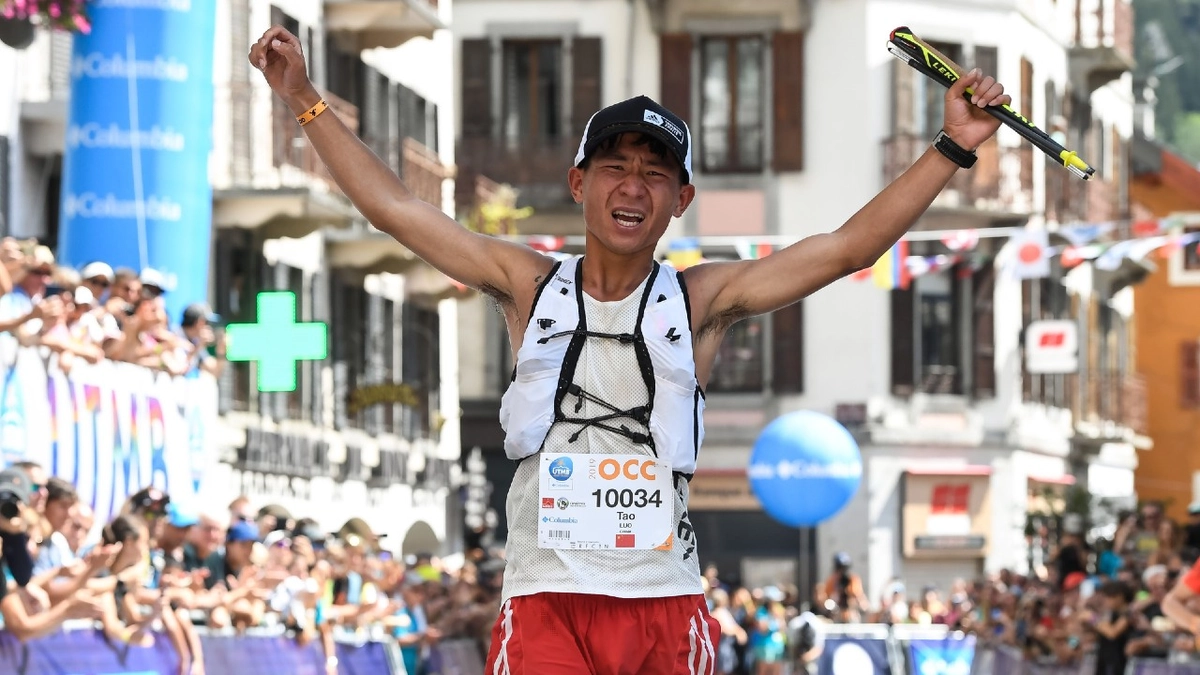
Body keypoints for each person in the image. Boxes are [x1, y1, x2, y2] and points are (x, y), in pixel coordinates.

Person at [249, 25, 1011, 674]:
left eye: (655, 173)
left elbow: (849, 247)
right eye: (615, 166)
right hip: (546, 597)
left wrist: (950, 145)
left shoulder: (700, 298)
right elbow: (394, 207)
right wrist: (302, 98)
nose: (633, 186)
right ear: (580, 183)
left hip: (662, 601)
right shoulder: (526, 282)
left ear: (679, 201)